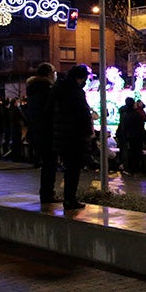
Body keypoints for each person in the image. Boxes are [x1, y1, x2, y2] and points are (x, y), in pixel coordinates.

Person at [51, 64, 93, 211]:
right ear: (80, 78)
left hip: (61, 135)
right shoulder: (75, 92)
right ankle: (70, 199)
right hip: (74, 136)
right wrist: (88, 132)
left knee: (69, 167)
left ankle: (69, 198)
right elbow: (83, 114)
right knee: (73, 169)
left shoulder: (58, 90)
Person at [26, 62, 58, 204]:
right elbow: (51, 112)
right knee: (50, 165)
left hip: (37, 132)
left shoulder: (33, 90)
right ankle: (47, 194)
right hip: (48, 132)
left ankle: (46, 193)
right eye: (54, 72)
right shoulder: (47, 91)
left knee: (46, 164)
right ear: (49, 74)